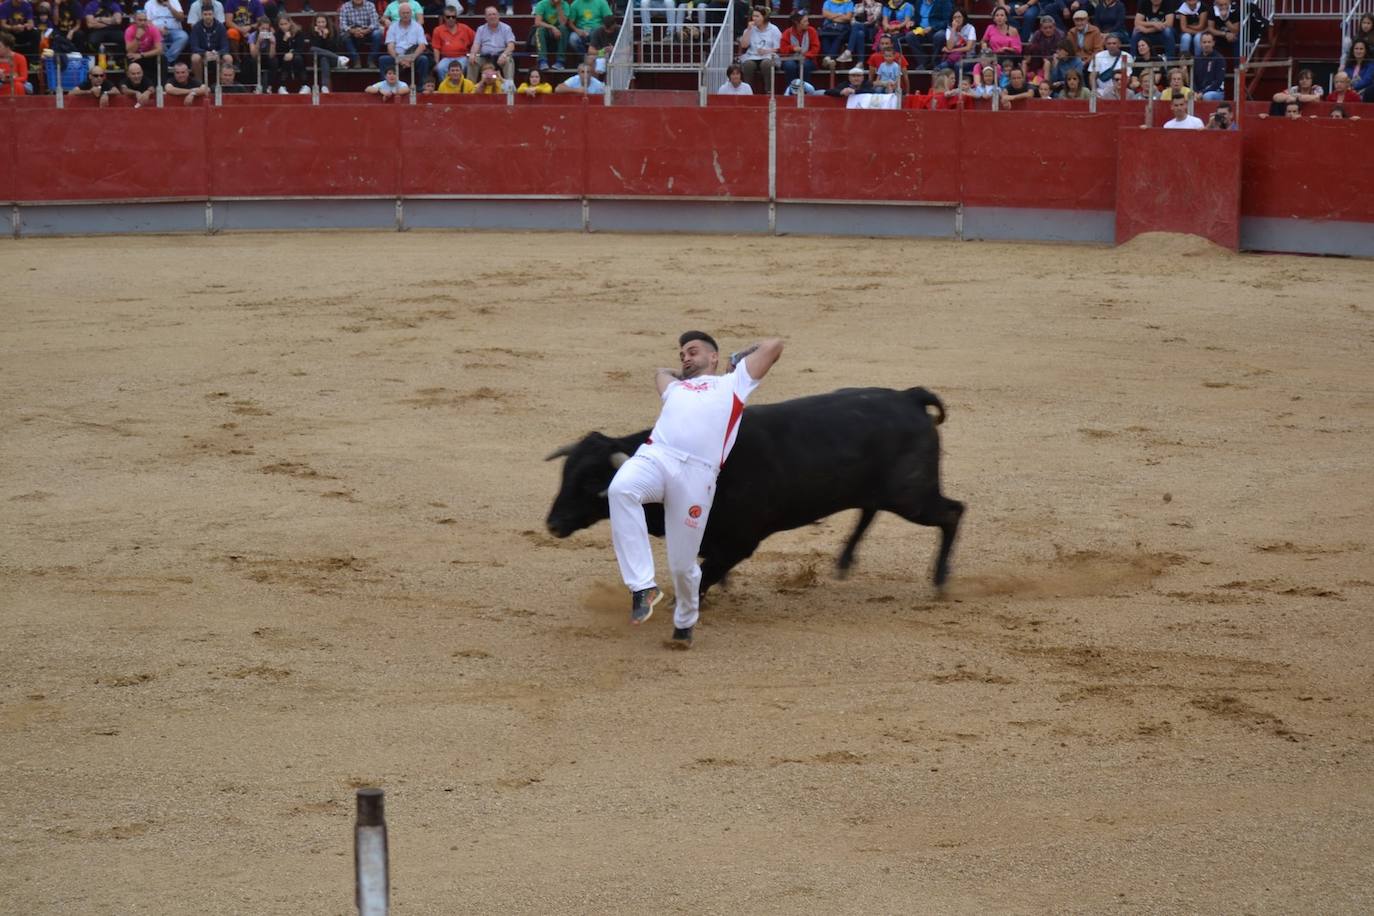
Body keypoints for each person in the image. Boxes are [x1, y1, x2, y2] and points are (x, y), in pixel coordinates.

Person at [607, 331, 783, 648]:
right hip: (656, 456)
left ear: (714, 356)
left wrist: (734, 360)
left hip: (697, 474)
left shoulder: (735, 382)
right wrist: (684, 371)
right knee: (621, 489)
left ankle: (685, 621)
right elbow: (660, 373)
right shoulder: (676, 388)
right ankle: (643, 587)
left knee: (682, 565)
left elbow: (773, 346)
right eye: (682, 355)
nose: (685, 357)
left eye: (693, 351)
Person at [380, 1, 429, 89]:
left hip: (413, 55)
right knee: (383, 60)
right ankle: (386, 88)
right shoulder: (393, 27)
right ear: (399, 14)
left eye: (408, 13)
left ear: (411, 13)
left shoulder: (418, 27)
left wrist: (411, 59)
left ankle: (421, 88)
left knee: (423, 60)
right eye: (403, 13)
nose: (405, 15)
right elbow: (390, 46)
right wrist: (399, 59)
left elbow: (422, 46)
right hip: (398, 56)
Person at [737, 6, 779, 89]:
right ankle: (748, 91)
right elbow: (744, 45)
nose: (754, 19)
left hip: (768, 56)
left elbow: (778, 48)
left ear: (764, 17)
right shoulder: (750, 29)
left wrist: (766, 51)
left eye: (757, 16)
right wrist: (749, 30)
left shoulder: (774, 29)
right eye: (753, 16)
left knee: (766, 64)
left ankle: (769, 91)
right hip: (752, 56)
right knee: (748, 65)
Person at [468, 5, 514, 81]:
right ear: (485, 18)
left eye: (494, 14)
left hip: (500, 56)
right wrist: (473, 54)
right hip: (485, 57)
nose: (492, 17)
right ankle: (470, 89)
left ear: (498, 16)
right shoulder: (480, 29)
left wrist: (504, 54)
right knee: (472, 60)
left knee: (509, 60)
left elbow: (511, 45)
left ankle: (509, 87)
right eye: (489, 15)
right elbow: (476, 44)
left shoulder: (506, 28)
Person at [305, 15, 347, 92]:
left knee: (324, 57)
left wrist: (326, 37)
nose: (321, 24)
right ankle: (325, 86)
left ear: (327, 22)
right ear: (315, 23)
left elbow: (335, 48)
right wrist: (319, 36)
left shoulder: (333, 30)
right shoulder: (312, 31)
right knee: (318, 53)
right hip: (318, 59)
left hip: (333, 60)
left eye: (323, 22)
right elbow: (314, 48)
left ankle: (325, 86)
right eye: (318, 22)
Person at [429, 5, 471, 79]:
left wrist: (473, 54)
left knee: (457, 70)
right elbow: (436, 48)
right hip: (446, 58)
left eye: (453, 17)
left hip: (462, 57)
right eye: (448, 17)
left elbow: (477, 41)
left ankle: (459, 88)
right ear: (444, 17)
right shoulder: (438, 30)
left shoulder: (465, 28)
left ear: (456, 17)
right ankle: (445, 87)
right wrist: (436, 63)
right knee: (440, 68)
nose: (451, 19)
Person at [189, 3, 228, 81]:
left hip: (217, 55)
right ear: (202, 15)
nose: (207, 16)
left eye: (210, 14)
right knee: (195, 58)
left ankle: (222, 83)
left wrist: (217, 53)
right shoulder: (196, 27)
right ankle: (199, 83)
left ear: (213, 15)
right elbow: (194, 47)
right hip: (202, 56)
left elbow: (225, 47)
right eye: (205, 14)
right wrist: (205, 53)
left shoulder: (220, 27)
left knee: (228, 58)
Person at [338, 0, 383, 67]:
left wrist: (365, 31)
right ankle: (355, 59)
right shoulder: (345, 6)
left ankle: (371, 60)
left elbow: (375, 23)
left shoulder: (370, 5)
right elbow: (342, 25)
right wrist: (353, 31)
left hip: (367, 31)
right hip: (352, 31)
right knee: (344, 35)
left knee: (378, 34)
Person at [779, 12, 817, 85]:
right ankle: (792, 90)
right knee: (790, 66)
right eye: (805, 21)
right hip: (791, 58)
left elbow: (815, 48)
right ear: (797, 23)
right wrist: (792, 48)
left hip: (808, 59)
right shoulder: (787, 32)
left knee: (804, 65)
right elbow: (783, 49)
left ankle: (806, 90)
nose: (808, 23)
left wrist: (805, 56)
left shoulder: (812, 31)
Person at [529, 0, 569, 70]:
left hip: (559, 33)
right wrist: (552, 27)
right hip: (546, 31)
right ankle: (542, 61)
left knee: (563, 29)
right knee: (539, 30)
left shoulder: (565, 5)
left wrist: (558, 6)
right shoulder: (542, 4)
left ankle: (560, 61)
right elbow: (537, 22)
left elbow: (563, 23)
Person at [936, 7, 974, 73]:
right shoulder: (950, 29)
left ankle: (956, 83)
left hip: (968, 57)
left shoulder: (970, 28)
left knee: (957, 65)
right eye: (955, 17)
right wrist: (953, 29)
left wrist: (952, 50)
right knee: (940, 67)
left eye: (959, 17)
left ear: (963, 18)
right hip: (953, 57)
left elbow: (968, 47)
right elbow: (949, 46)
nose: (957, 19)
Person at [1088, 30, 1127, 95]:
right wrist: (1095, 91)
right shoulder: (1098, 56)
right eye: (1109, 43)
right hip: (1101, 91)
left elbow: (1128, 77)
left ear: (1119, 44)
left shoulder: (1127, 56)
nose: (1111, 45)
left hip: (1120, 91)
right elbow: (1092, 76)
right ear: (1105, 45)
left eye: (1114, 43)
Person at [1193, 31, 1223, 99]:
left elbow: (1218, 82)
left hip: (1216, 91)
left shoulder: (1219, 58)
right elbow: (1193, 79)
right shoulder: (1196, 59)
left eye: (1209, 42)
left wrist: (1203, 92)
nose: (1207, 44)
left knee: (1206, 96)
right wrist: (1196, 92)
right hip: (1199, 91)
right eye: (1204, 42)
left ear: (1213, 43)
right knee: (1189, 95)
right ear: (1200, 44)